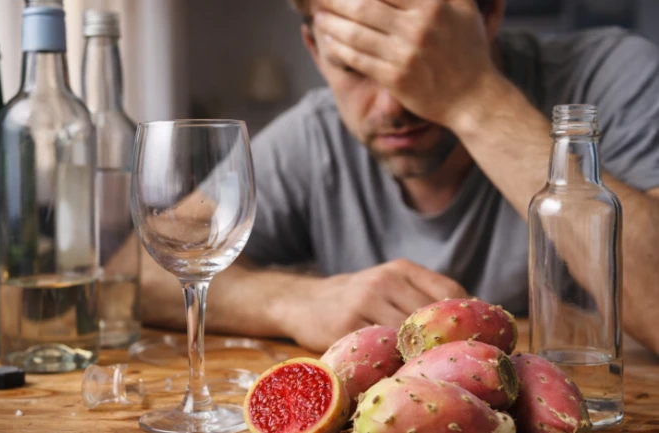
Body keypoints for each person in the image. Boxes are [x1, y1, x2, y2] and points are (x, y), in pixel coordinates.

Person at [139, 0, 659, 354]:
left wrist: (473, 96)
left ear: (489, 14)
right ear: (315, 49)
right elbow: (142, 271)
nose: (391, 106)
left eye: (422, 61)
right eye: (355, 67)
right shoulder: (314, 135)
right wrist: (294, 302)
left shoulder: (609, 79)